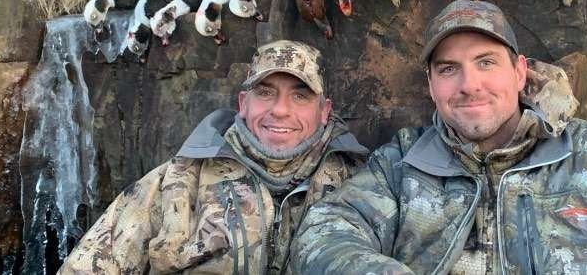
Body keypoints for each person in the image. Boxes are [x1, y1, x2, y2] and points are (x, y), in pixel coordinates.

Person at [292, 0, 587, 274]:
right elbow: (324, 232)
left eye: (486, 63)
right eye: (449, 69)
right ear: (431, 85)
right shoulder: (401, 163)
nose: (469, 85)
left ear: (519, 72)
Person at [60, 40, 367, 274]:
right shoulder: (176, 181)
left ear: (324, 111)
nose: (280, 110)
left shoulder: (361, 188)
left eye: (300, 95)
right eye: (265, 92)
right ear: (243, 104)